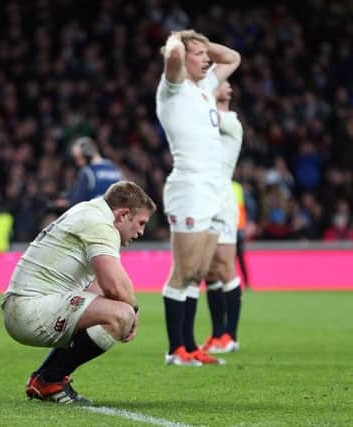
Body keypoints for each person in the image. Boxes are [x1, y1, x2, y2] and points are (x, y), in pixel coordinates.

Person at [2, 181, 155, 404]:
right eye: (141, 223)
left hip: (25, 305)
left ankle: (43, 378)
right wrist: (134, 309)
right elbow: (115, 285)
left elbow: (104, 285)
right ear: (123, 215)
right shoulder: (100, 225)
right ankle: (50, 380)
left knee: (107, 295)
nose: (141, 231)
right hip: (29, 310)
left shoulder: (89, 211)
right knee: (121, 315)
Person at [156, 30, 240, 366]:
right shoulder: (172, 88)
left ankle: (189, 346)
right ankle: (174, 348)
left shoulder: (205, 87)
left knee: (197, 273)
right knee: (183, 271)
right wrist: (178, 39)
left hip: (211, 191)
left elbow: (232, 57)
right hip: (188, 187)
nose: (208, 59)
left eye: (207, 54)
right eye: (200, 54)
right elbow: (174, 58)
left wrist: (201, 46)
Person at [201, 81, 243, 354]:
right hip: (203, 199)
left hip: (223, 202)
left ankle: (231, 336)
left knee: (227, 268)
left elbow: (203, 122)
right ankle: (217, 335)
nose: (220, 83)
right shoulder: (206, 114)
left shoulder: (231, 122)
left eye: (224, 81)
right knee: (210, 270)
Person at [55, 137, 123, 208]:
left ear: (87, 155)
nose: (78, 163)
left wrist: (63, 203)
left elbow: (77, 201)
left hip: (96, 214)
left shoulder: (88, 172)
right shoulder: (114, 167)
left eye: (78, 158)